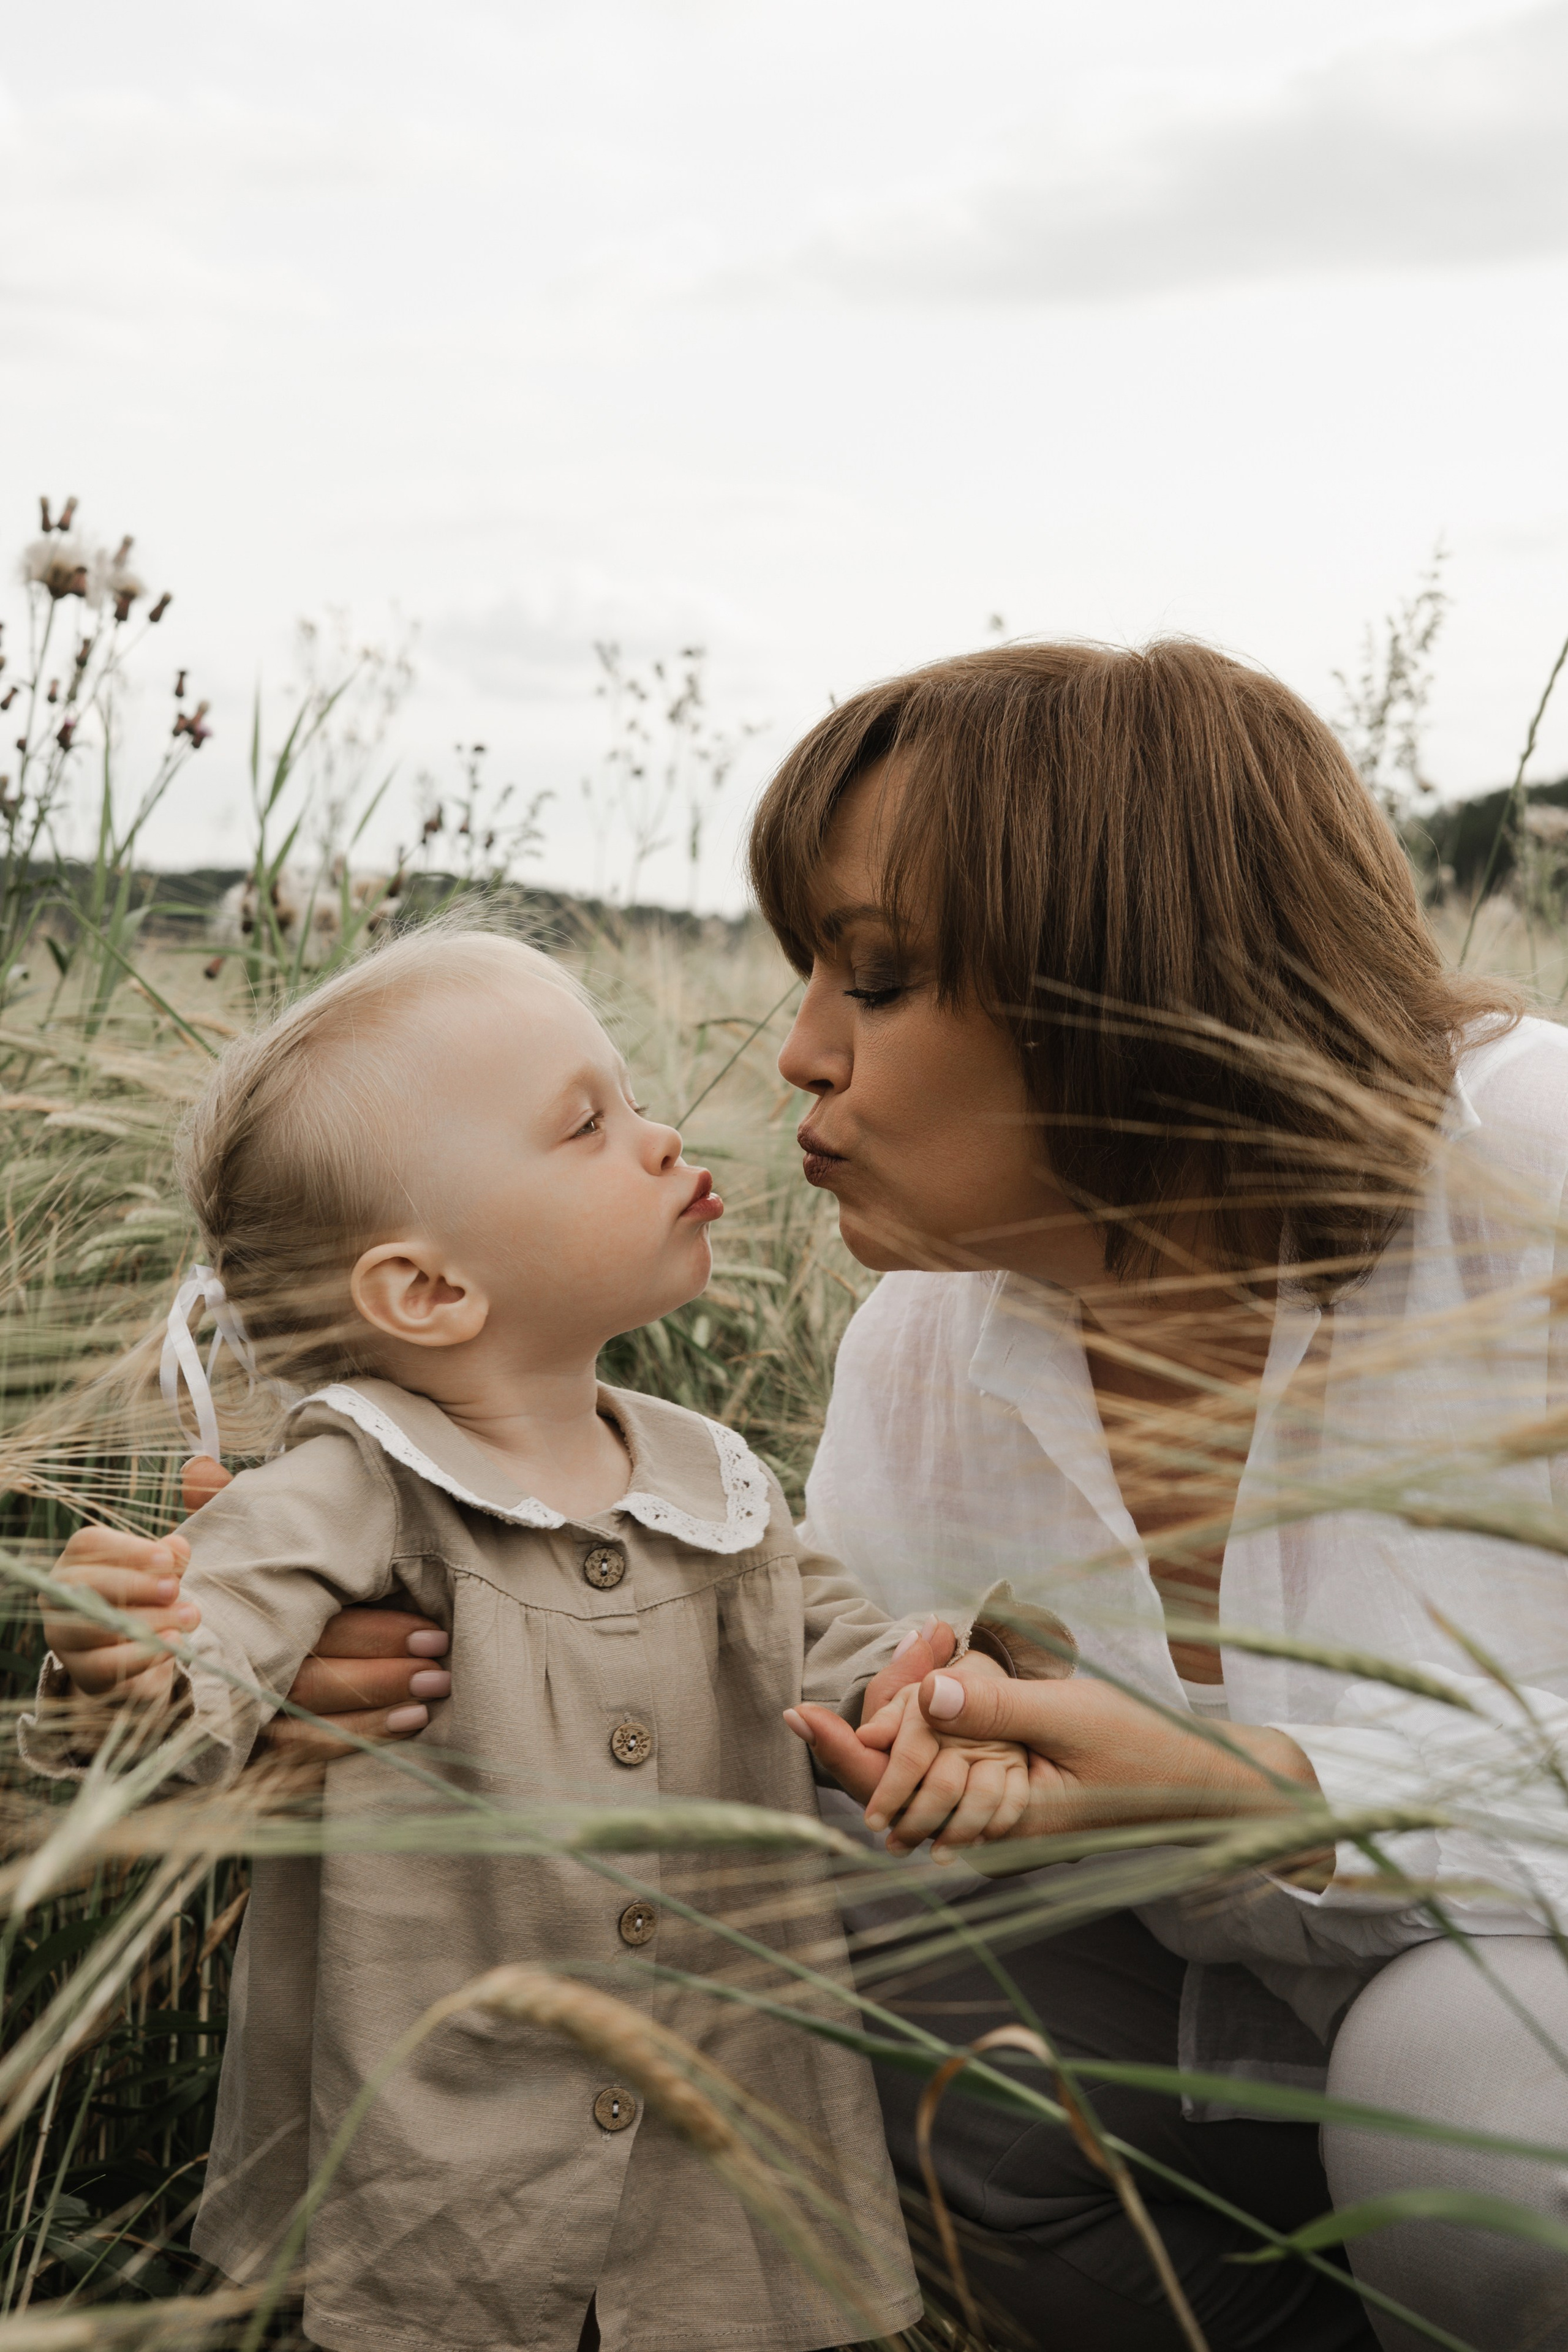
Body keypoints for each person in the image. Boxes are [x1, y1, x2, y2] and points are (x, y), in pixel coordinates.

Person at [50, 641, 1568, 2350]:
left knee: (1481, 2094)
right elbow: (822, 1728)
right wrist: (432, 1653)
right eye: (807, 975)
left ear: (1133, 983)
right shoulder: (926, 1336)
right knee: (783, 1937)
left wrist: (1276, 1792)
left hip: (1511, 2033)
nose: (796, 1055)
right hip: (1203, 2067)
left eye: (886, 975)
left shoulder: (1546, 1167)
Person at [26, 927, 1044, 2352]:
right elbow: (205, 1666)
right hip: (438, 2171)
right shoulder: (351, 1477)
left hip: (719, 2152)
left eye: (630, 1101)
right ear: (428, 1291)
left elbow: (844, 1654)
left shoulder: (714, 1476)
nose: (658, 1135)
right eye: (588, 1124)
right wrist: (128, 1653)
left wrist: (936, 1701)